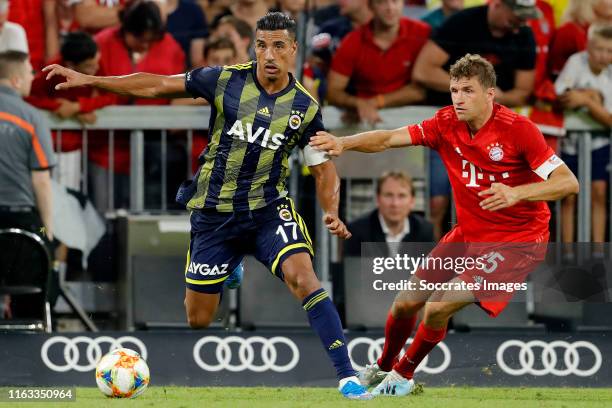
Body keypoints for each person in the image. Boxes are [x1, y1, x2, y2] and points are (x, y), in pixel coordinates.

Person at [43, 12, 372, 400]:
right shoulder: (224, 79)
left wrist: (330, 210)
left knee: (305, 279)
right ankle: (230, 264)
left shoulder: (304, 107)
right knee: (198, 319)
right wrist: (93, 80)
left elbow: (323, 169)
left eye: (279, 45)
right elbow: (156, 85)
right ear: (254, 46)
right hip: (214, 215)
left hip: (268, 210)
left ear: (293, 49)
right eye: (262, 44)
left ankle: (348, 376)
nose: (269, 53)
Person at [310, 53, 579, 396]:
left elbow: (568, 182)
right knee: (406, 301)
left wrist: (517, 193)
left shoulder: (519, 130)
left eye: (468, 90)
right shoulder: (445, 122)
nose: (459, 98)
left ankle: (404, 375)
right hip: (470, 232)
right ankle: (381, 367)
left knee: (438, 305)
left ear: (490, 94)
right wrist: (343, 143)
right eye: (454, 90)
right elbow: (390, 138)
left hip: (517, 240)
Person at [0, 50, 56, 319]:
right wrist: (48, 229)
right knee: (37, 282)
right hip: (21, 222)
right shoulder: (31, 117)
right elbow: (41, 180)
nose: (33, 77)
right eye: (29, 72)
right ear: (15, 80)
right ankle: (31, 343)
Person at [327, 0, 430, 124]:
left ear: (403, 3)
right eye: (381, 2)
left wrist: (375, 102)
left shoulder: (422, 33)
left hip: (414, 117)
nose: (390, 8)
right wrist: (358, 103)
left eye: (395, 1)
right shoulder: (353, 41)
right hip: (366, 120)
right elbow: (332, 92)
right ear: (370, 6)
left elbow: (420, 90)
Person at [555, 24, 612, 244]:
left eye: (609, 51)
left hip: (599, 143)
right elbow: (563, 97)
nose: (603, 55)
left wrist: (586, 100)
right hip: (570, 143)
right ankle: (568, 253)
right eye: (598, 49)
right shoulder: (576, 62)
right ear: (588, 47)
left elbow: (609, 120)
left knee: (598, 192)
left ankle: (597, 252)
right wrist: (593, 99)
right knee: (568, 195)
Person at [344, 170, 433, 257]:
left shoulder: (424, 231)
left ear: (412, 201)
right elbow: (353, 270)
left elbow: (429, 270)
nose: (395, 203)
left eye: (402, 196)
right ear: (378, 199)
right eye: (388, 195)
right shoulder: (356, 231)